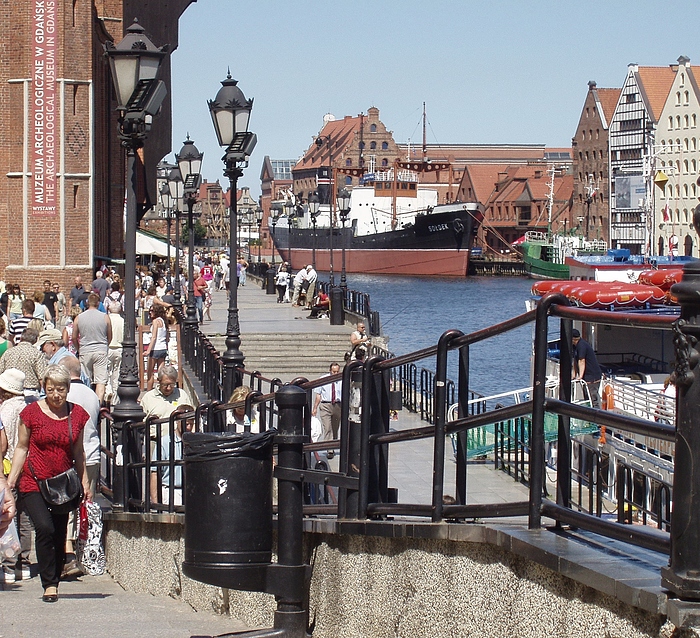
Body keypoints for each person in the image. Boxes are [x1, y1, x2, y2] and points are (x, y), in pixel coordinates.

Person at [8, 365, 91, 603]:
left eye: (61, 389)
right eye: (51, 389)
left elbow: (79, 450)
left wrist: (84, 480)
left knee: (59, 530)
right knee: (44, 527)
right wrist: (11, 482)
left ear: (68, 389)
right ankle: (49, 584)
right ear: (44, 387)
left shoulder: (77, 415)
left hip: (62, 484)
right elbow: (22, 447)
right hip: (33, 479)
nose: (56, 394)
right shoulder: (31, 413)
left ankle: (54, 574)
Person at [61, 356, 101, 578]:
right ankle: (84, 551)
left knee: (67, 503)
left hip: (71, 456)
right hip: (92, 453)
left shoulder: (65, 395)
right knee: (86, 503)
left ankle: (68, 552)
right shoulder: (92, 394)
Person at [0, 368, 33, 583]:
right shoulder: (29, 407)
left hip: (7, 466)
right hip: (29, 467)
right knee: (25, 516)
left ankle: (9, 564)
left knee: (7, 514)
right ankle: (25, 562)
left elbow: (3, 443)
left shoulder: (5, 409)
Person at [149, 406, 193, 506]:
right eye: (186, 424)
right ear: (177, 422)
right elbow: (154, 472)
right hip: (171, 491)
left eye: (191, 423)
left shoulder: (194, 442)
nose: (189, 427)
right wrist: (155, 502)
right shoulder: (165, 442)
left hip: (190, 491)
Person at [72, 293, 111, 403]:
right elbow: (110, 335)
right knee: (100, 382)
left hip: (85, 350)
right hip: (101, 350)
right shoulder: (105, 317)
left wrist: (79, 348)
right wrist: (104, 345)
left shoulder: (79, 318)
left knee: (86, 381)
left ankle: (87, 405)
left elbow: (74, 337)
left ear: (87, 302)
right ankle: (98, 407)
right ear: (98, 303)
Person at [0, 327, 47, 397]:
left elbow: (1, 371)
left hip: (9, 392)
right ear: (35, 340)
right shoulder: (37, 354)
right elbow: (42, 377)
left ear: (21, 338)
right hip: (30, 392)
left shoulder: (8, 352)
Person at [312, 363, 342, 454]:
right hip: (325, 405)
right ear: (330, 371)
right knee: (327, 427)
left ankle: (332, 442)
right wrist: (315, 408)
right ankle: (330, 449)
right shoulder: (324, 379)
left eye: (337, 371)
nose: (335, 373)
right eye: (334, 372)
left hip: (338, 406)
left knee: (335, 427)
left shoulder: (342, 379)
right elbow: (318, 394)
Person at [572, 328, 603, 408]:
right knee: (587, 397)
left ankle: (596, 417)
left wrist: (580, 376)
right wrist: (574, 375)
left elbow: (581, 360)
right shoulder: (575, 346)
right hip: (587, 377)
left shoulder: (582, 345)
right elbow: (575, 361)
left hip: (592, 376)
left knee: (592, 398)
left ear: (573, 339)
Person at [145, 305, 168, 391]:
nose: (150, 312)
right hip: (162, 348)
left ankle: (148, 393)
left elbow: (154, 337)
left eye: (152, 311)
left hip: (155, 349)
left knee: (150, 374)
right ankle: (162, 390)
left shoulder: (155, 321)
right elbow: (167, 337)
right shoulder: (163, 321)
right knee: (161, 373)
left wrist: (148, 350)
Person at [106, 301, 124, 405]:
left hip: (108, 348)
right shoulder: (122, 320)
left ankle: (108, 392)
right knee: (117, 373)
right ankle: (116, 398)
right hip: (119, 348)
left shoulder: (107, 320)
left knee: (107, 373)